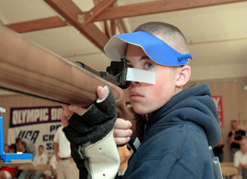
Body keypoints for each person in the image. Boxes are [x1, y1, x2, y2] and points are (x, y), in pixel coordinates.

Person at [61, 21, 221, 178]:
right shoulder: (170, 134)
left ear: (181, 76)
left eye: (148, 65)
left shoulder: (173, 149)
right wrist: (96, 146)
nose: (134, 79)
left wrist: (97, 153)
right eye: (129, 68)